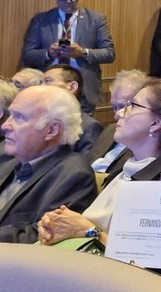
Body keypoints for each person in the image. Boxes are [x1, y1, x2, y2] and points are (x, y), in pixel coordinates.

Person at [37, 78, 161, 248]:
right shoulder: (123, 172)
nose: (120, 113)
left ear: (156, 123)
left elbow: (144, 258)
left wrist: (87, 230)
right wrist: (55, 225)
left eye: (133, 106)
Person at [0, 85, 96, 243]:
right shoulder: (7, 161)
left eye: (19, 117)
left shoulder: (74, 176)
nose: (4, 126)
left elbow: (42, 235)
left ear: (51, 130)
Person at [21, 0, 115, 114]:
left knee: (84, 130)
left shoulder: (96, 19)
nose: (69, 1)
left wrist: (82, 53)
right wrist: (48, 53)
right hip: (48, 89)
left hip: (83, 91)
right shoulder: (41, 20)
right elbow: (28, 55)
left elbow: (109, 53)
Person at [89, 69, 150, 178]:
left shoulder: (147, 143)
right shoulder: (110, 129)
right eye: (114, 107)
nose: (116, 115)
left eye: (123, 106)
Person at [41, 64, 103, 158]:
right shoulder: (40, 120)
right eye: (41, 82)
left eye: (48, 81)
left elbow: (84, 166)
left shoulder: (89, 126)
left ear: (72, 87)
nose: (41, 87)